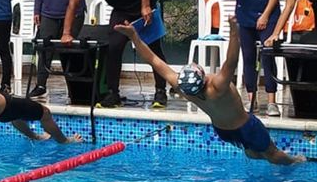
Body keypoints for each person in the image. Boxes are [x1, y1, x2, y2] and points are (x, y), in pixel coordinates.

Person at [115, 17, 304, 165]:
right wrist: (234, 33)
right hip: (246, 127)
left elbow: (154, 61)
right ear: (202, 74)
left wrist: (134, 37)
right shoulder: (218, 87)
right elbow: (231, 61)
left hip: (222, 131)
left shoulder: (186, 90)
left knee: (253, 154)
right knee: (272, 153)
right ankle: (294, 162)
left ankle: (254, 151)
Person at [63, 0, 169, 109]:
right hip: (121, 11)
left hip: (143, 6)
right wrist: (66, 32)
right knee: (113, 47)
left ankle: (160, 91)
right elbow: (73, 3)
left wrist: (145, 5)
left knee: (153, 49)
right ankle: (113, 94)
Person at [227, 0, 283, 117]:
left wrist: (266, 15)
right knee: (248, 56)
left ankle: (272, 101)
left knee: (267, 56)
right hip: (245, 12)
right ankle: (251, 100)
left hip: (267, 13)